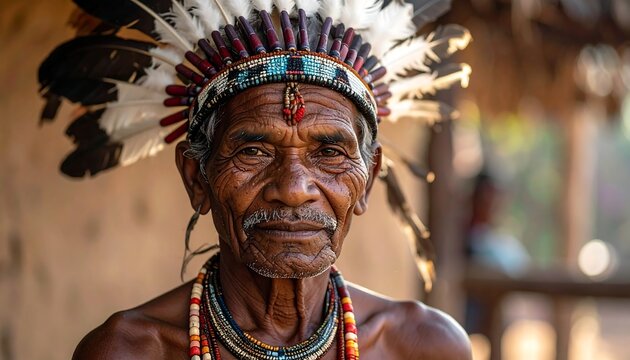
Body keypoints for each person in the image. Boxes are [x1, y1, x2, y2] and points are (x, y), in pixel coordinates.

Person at [40, 1, 473, 358]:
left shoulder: (425, 346)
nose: (293, 188)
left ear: (370, 177)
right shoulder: (128, 351)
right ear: (196, 178)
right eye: (253, 151)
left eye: (329, 153)